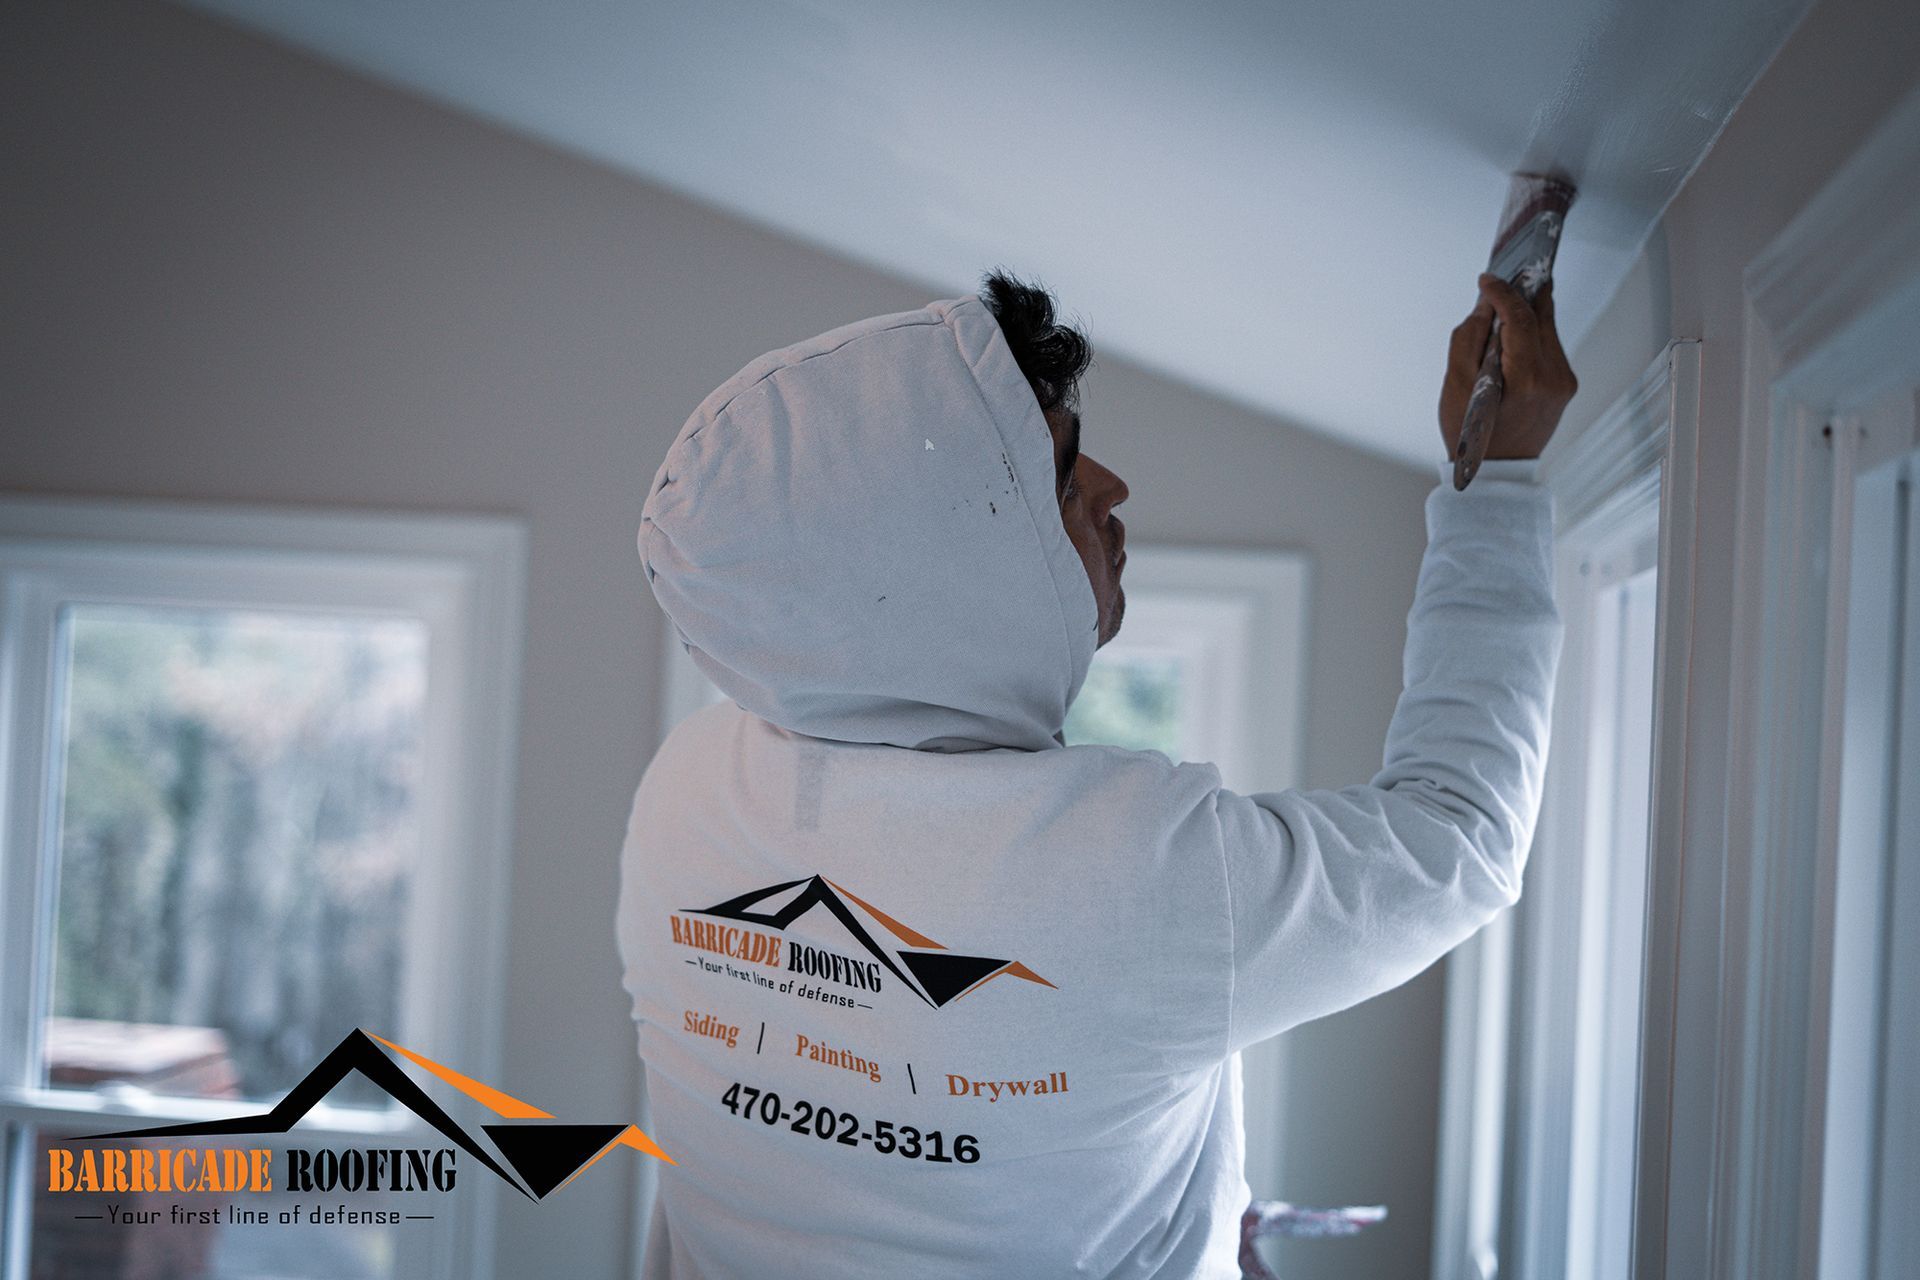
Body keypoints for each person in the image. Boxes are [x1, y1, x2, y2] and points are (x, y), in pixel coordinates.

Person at [617, 268, 1572, 1277]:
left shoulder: (688, 794)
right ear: (953, 557)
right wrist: (1497, 486)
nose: (1111, 484)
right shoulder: (1135, 864)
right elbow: (1459, 833)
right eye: (1061, 473)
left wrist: (1183, 1203)